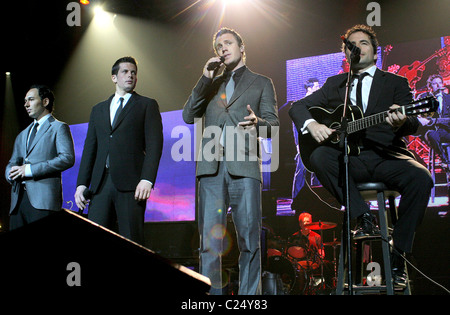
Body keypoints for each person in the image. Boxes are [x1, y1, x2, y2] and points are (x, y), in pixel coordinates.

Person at [289, 24, 433, 287]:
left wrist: (402, 121)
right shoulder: (335, 85)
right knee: (319, 157)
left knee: (422, 178)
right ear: (346, 53)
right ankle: (362, 217)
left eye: (363, 43)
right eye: (351, 44)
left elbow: (412, 122)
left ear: (375, 53)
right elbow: (299, 107)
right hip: (350, 161)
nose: (357, 47)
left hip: (387, 157)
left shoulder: (395, 82)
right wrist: (314, 126)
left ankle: (398, 256)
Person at [182, 27, 279, 295]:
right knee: (209, 242)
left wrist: (258, 123)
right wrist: (204, 78)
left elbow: (272, 126)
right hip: (211, 168)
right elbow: (188, 115)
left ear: (241, 47)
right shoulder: (210, 84)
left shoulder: (262, 82)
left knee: (249, 239)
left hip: (245, 167)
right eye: (218, 46)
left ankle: (249, 297)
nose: (222, 49)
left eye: (228, 43)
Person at [75, 56, 163, 245]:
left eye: (133, 73)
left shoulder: (147, 105)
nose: (130, 75)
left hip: (131, 185)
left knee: (132, 240)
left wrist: (147, 179)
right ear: (114, 77)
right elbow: (90, 148)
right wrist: (82, 183)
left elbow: (155, 145)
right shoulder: (98, 109)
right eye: (125, 72)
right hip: (100, 185)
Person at [5, 85, 75, 229]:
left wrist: (30, 170)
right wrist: (10, 174)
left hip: (43, 201)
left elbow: (67, 158)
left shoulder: (58, 127)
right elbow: (12, 162)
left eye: (30, 99)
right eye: (25, 101)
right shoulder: (23, 134)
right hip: (17, 202)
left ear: (45, 102)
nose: (26, 104)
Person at [418, 74, 450, 167]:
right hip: (431, 131)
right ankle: (444, 160)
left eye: (440, 83)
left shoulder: (448, 98)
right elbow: (420, 116)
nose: (439, 85)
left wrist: (436, 120)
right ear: (430, 86)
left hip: (446, 131)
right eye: (435, 84)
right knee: (432, 135)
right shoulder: (423, 97)